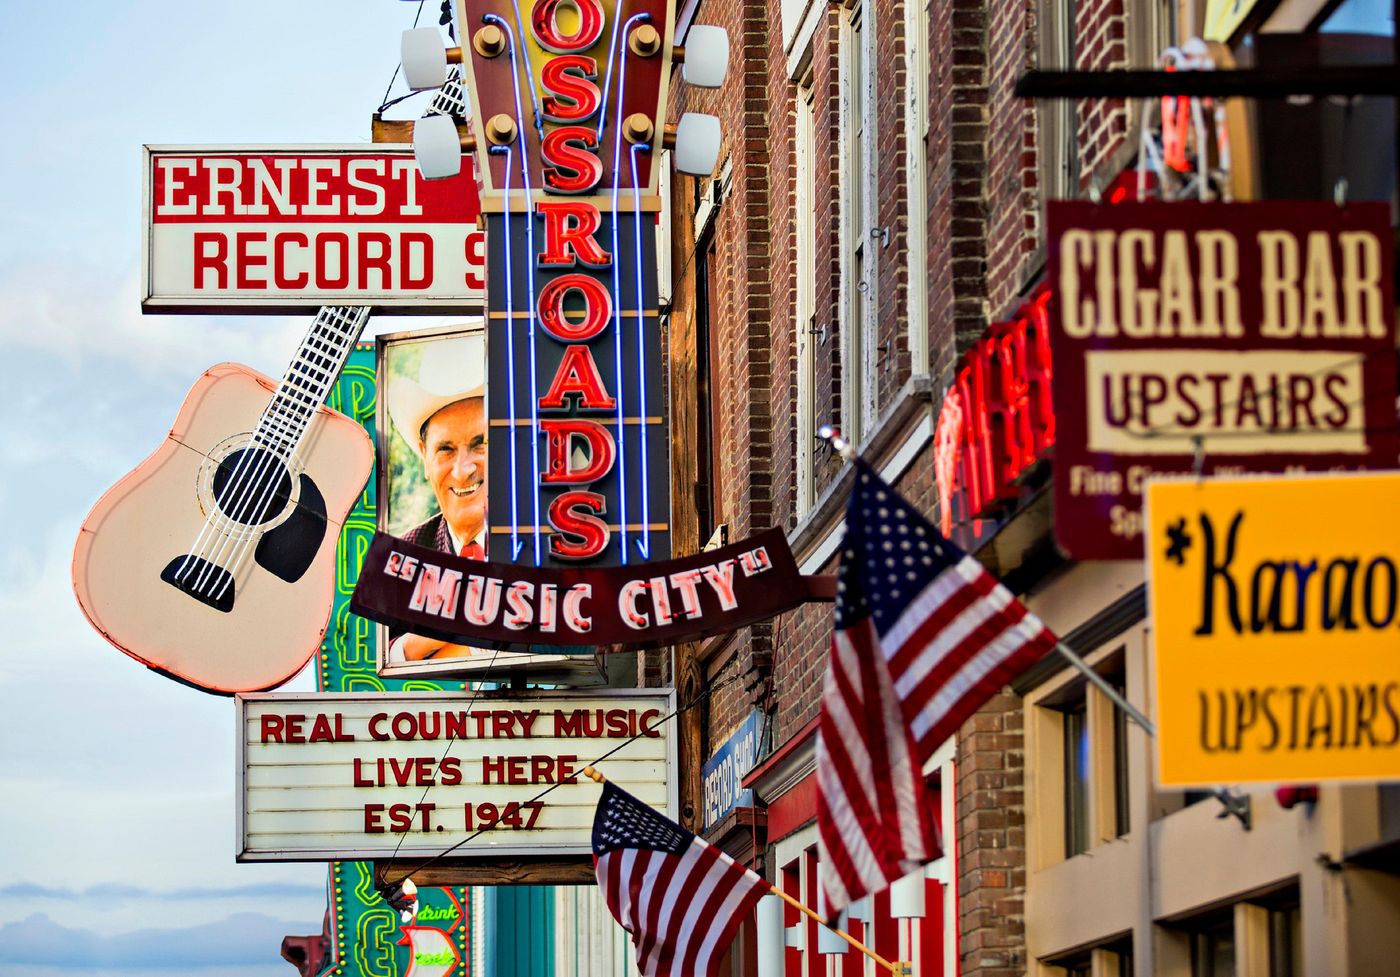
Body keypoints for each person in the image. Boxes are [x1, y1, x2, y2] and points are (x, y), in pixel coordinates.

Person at [383, 345, 488, 662]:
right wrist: (413, 644)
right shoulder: (402, 556)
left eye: (480, 443)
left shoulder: (548, 540)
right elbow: (381, 663)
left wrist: (451, 646)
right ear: (424, 457)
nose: (463, 469)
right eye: (445, 449)